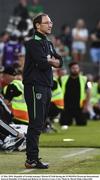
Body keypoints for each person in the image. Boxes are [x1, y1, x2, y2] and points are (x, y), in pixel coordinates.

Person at [23, 13, 63, 169]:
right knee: (36, 123)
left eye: (51, 22)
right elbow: (42, 63)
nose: (50, 24)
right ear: (37, 26)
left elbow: (60, 61)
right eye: (47, 22)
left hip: (45, 86)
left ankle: (32, 158)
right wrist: (51, 61)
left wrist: (52, 61)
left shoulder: (48, 43)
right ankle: (31, 159)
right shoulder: (33, 43)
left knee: (39, 123)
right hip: (34, 87)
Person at [60, 61, 90, 127]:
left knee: (82, 123)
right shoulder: (63, 79)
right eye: (73, 68)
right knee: (64, 123)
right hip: (66, 106)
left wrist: (86, 106)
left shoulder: (84, 79)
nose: (75, 70)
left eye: (76, 68)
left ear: (79, 69)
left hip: (79, 106)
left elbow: (88, 92)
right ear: (70, 69)